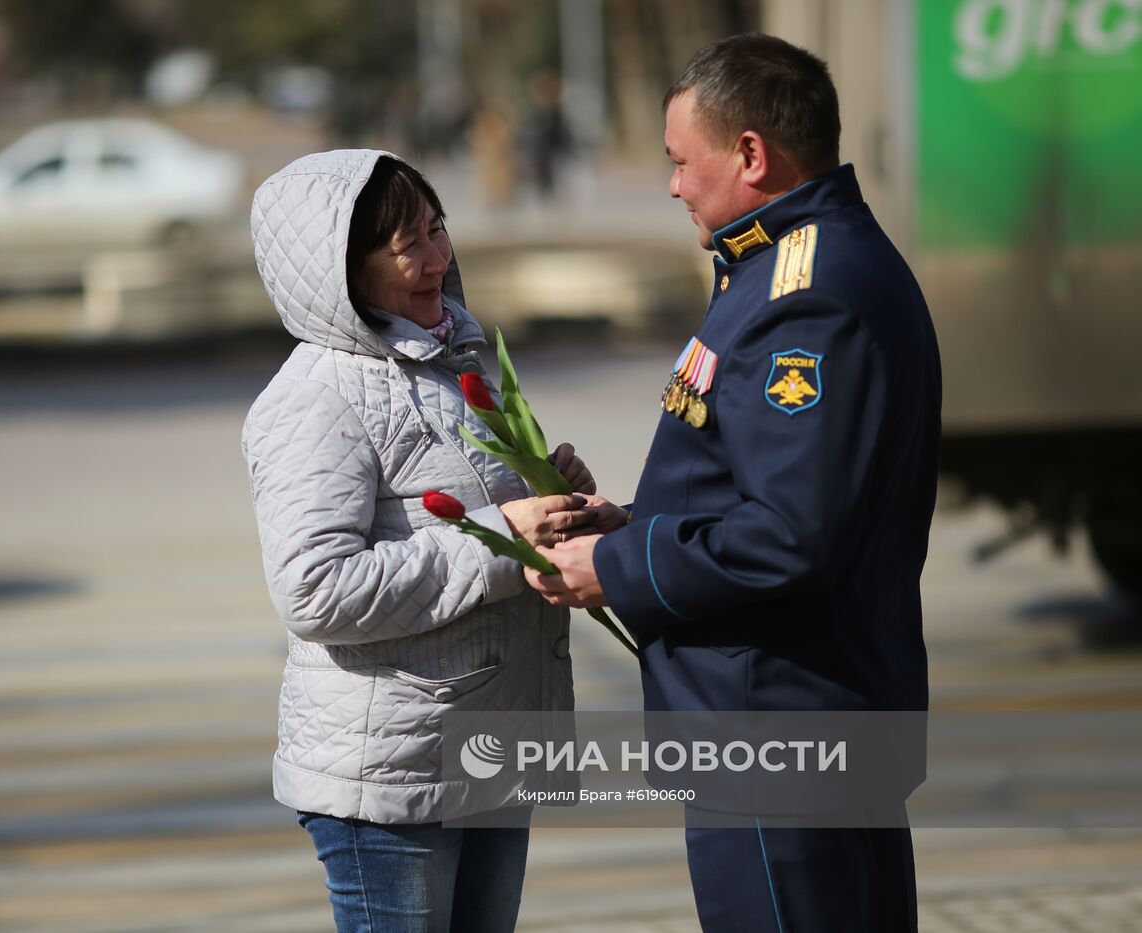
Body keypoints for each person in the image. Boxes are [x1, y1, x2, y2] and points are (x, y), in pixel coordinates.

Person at [524, 34, 942, 932]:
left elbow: (790, 533)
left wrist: (620, 569)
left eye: (682, 161)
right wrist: (624, 524)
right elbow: (769, 491)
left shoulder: (805, 294)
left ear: (751, 153)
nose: (672, 185)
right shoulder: (790, 264)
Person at [242, 149, 599, 933]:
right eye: (408, 243)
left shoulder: (454, 357)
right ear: (341, 268)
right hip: (393, 777)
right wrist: (504, 539)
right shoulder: (315, 398)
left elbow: (483, 519)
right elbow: (316, 588)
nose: (437, 256)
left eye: (438, 229)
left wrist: (550, 496)